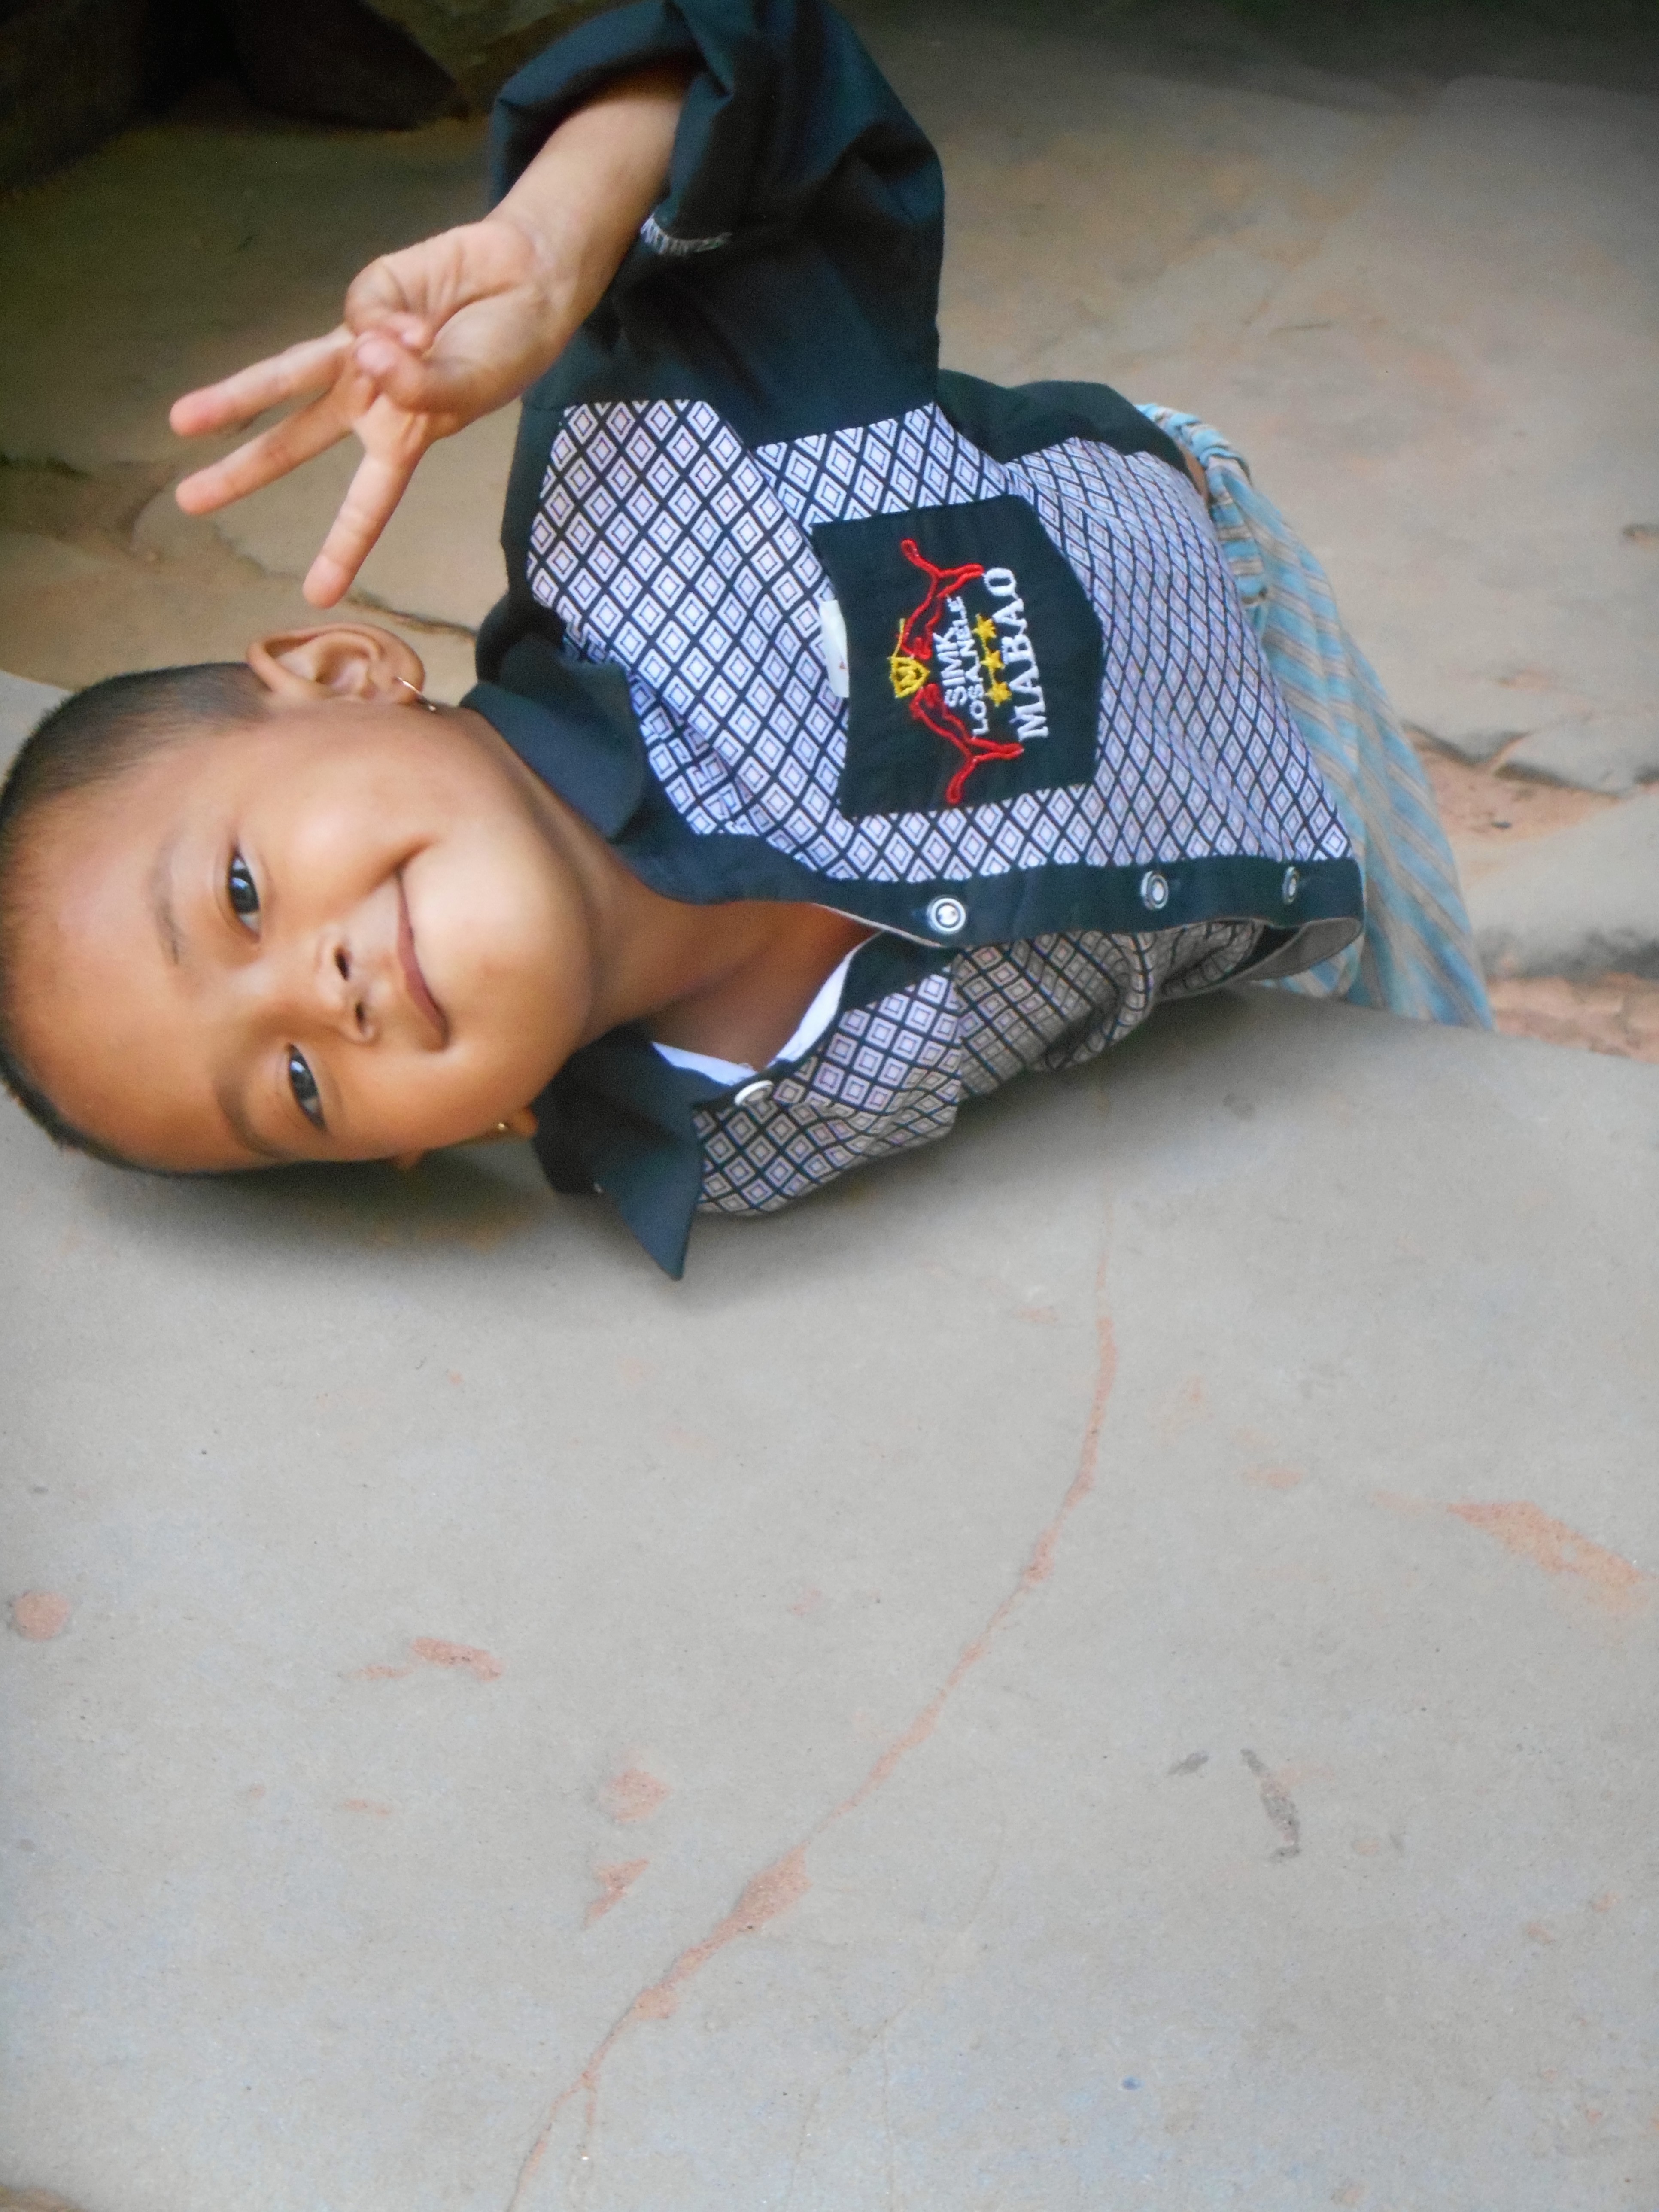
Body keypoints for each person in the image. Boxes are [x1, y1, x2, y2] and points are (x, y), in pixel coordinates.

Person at [0, 0, 1488, 1277]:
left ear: (343, 676)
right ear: (422, 1150)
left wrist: (549, 243)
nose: (321, 995)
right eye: (300, 1087)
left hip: (1244, 623)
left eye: (242, 893)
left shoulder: (659, 480)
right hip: (1238, 934)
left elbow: (756, 56)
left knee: (1440, 1023)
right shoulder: (721, 1155)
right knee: (1420, 1112)